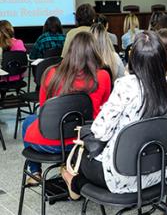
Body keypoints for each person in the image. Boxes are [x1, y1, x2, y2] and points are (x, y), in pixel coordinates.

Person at [61, 31, 167, 197]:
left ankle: (73, 181)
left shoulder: (126, 86)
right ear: (162, 59)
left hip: (121, 175)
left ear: (133, 60)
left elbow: (100, 132)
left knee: (79, 155)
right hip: (157, 171)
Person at [22, 32, 111, 183]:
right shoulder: (103, 76)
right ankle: (68, 165)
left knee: (28, 121)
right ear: (94, 51)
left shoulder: (51, 73)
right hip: (84, 142)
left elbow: (44, 110)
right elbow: (105, 111)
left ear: (70, 50)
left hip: (50, 143)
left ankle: (35, 172)